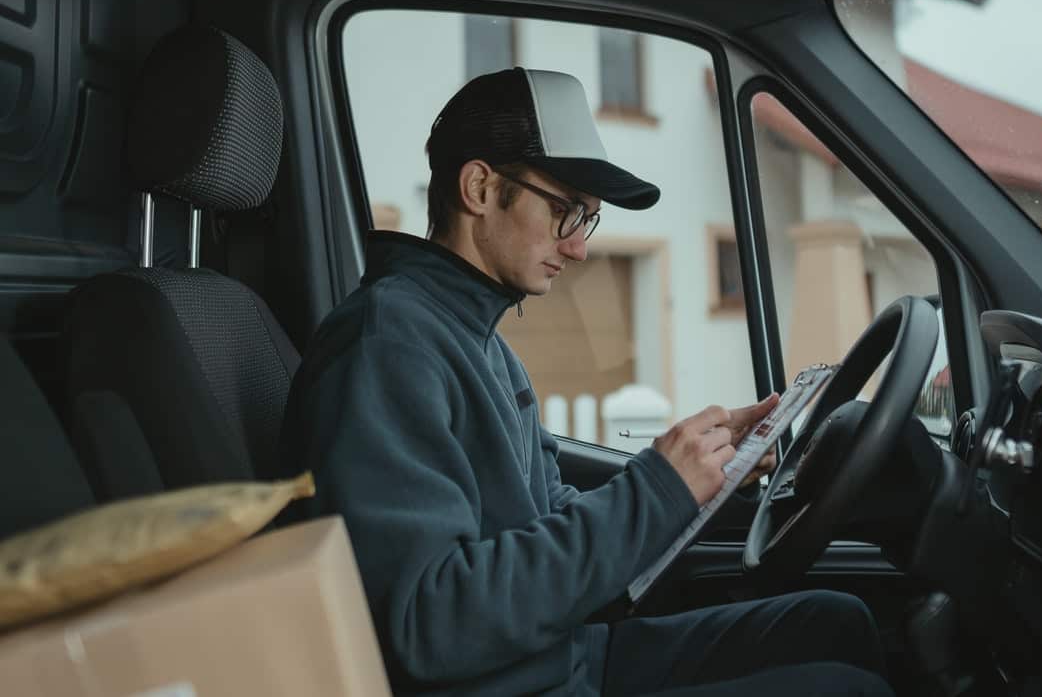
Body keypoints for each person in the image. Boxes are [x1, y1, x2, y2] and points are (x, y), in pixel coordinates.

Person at [279, 68, 891, 696]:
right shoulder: (388, 347)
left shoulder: (477, 341)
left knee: (836, 621)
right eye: (566, 211)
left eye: (586, 221)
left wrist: (703, 481)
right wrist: (656, 491)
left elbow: (549, 522)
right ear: (480, 187)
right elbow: (429, 622)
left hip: (564, 660)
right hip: (518, 684)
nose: (577, 250)